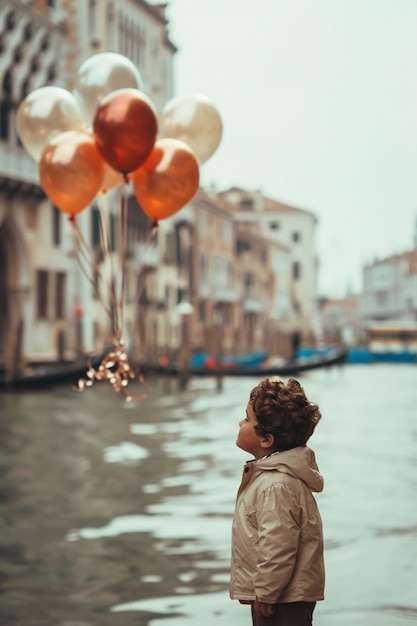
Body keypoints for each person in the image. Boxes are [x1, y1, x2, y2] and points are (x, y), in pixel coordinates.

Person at [230, 376, 325, 626]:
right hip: (280, 594)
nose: (241, 422)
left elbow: (279, 544)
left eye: (247, 419)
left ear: (266, 440)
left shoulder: (276, 485)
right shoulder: (272, 480)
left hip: (283, 598)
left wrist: (265, 591)